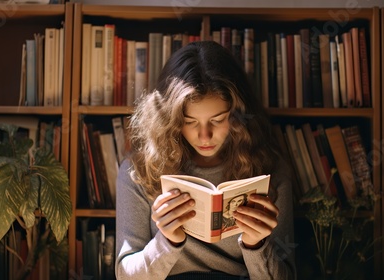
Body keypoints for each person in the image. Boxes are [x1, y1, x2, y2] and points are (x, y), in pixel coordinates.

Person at [115, 41, 296, 280]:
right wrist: (166, 242)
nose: (204, 136)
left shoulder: (270, 169)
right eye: (190, 122)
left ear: (238, 115)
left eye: (218, 119)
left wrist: (256, 246)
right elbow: (126, 276)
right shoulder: (139, 171)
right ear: (170, 119)